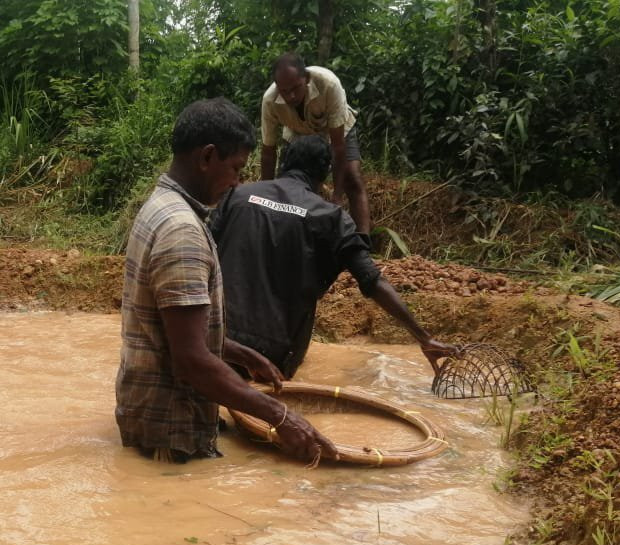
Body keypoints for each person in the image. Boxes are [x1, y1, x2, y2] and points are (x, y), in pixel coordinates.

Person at [115, 98, 338, 465]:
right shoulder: (181, 231)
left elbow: (171, 329)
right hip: (174, 430)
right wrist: (281, 416)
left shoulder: (160, 206)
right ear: (207, 157)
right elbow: (191, 361)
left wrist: (240, 353)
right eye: (235, 168)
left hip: (148, 412)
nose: (237, 181)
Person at [212, 134, 455, 379]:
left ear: (282, 163)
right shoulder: (331, 218)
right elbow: (373, 281)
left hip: (216, 338)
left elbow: (205, 252)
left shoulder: (238, 196)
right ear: (325, 173)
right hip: (274, 353)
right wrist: (424, 338)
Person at [260, 52, 371, 234]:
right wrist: (266, 195)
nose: (291, 96)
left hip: (337, 130)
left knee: (352, 178)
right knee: (290, 184)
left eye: (296, 88)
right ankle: (294, 237)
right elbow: (268, 151)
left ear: (307, 78)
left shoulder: (328, 84)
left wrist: (337, 195)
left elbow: (338, 146)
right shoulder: (269, 100)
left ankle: (363, 243)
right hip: (297, 135)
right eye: (285, 91)